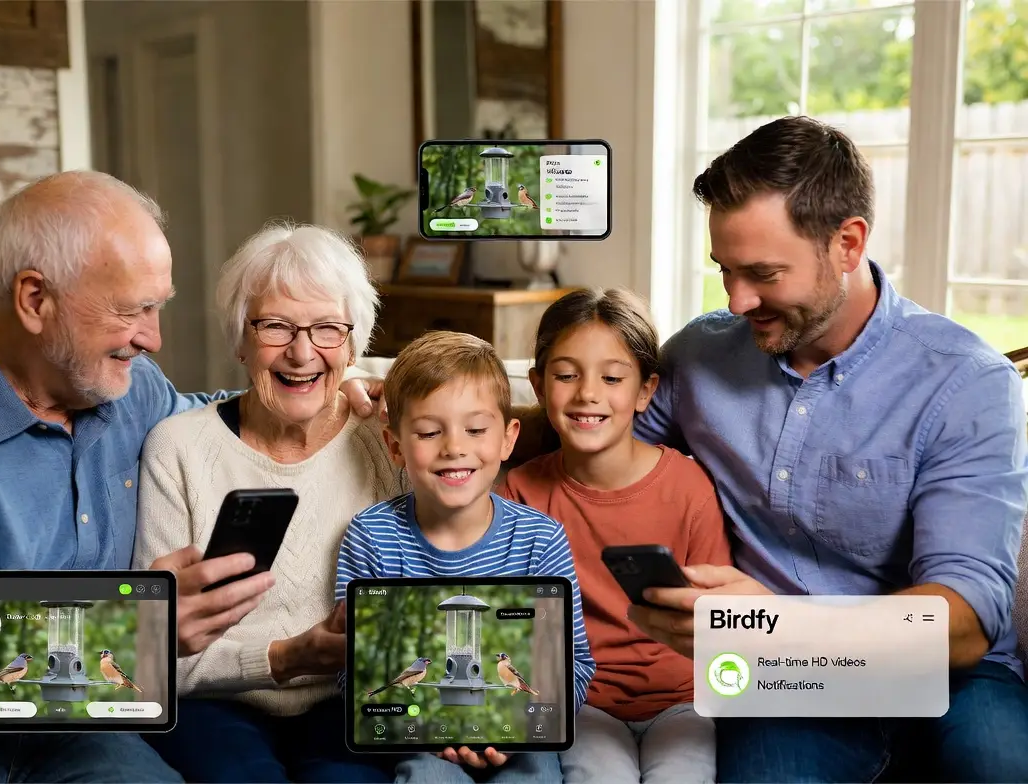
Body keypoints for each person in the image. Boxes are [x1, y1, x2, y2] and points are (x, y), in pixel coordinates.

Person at [0, 172, 376, 782]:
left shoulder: (130, 390)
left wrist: (372, 386)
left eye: (157, 306)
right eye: (132, 310)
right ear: (34, 300)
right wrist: (135, 629)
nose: (152, 338)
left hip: (83, 729)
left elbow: (228, 414)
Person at [625, 116, 1028, 782]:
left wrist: (769, 626)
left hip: (955, 677)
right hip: (785, 685)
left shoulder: (966, 380)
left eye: (763, 273)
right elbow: (603, 458)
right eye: (724, 271)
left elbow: (965, 623)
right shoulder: (700, 356)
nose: (737, 298)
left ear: (848, 243)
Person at [130, 222, 409, 783]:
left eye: (328, 328)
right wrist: (285, 656)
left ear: (353, 345)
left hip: (348, 703)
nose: (302, 352)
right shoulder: (178, 449)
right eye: (275, 326)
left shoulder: (391, 441)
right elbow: (150, 655)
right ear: (239, 338)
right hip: (214, 706)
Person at [335, 330, 596, 784]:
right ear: (395, 446)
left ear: (507, 439)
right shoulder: (371, 536)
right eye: (429, 432)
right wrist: (425, 731)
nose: (454, 446)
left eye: (475, 430)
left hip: (520, 735)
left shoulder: (541, 538)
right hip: (418, 736)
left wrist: (509, 729)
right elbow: (348, 671)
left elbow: (575, 666)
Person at [500, 287, 729, 783]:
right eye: (566, 375)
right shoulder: (518, 491)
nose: (587, 393)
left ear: (645, 390)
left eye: (611, 377)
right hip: (582, 703)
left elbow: (715, 618)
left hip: (683, 702)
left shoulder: (689, 487)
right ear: (538, 386)